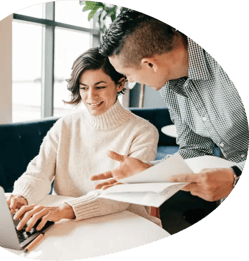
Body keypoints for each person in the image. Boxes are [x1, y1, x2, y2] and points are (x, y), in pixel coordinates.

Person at [91, 8, 249, 233]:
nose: (132, 82)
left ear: (150, 64)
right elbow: (195, 150)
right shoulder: (170, 84)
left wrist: (236, 176)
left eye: (130, 76)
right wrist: (150, 172)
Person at [6, 47, 160, 232]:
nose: (90, 96)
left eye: (100, 87)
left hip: (123, 225)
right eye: (84, 88)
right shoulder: (65, 125)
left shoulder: (143, 131)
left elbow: (121, 195)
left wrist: (67, 209)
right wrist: (22, 196)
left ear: (120, 84)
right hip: (70, 225)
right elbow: (39, 172)